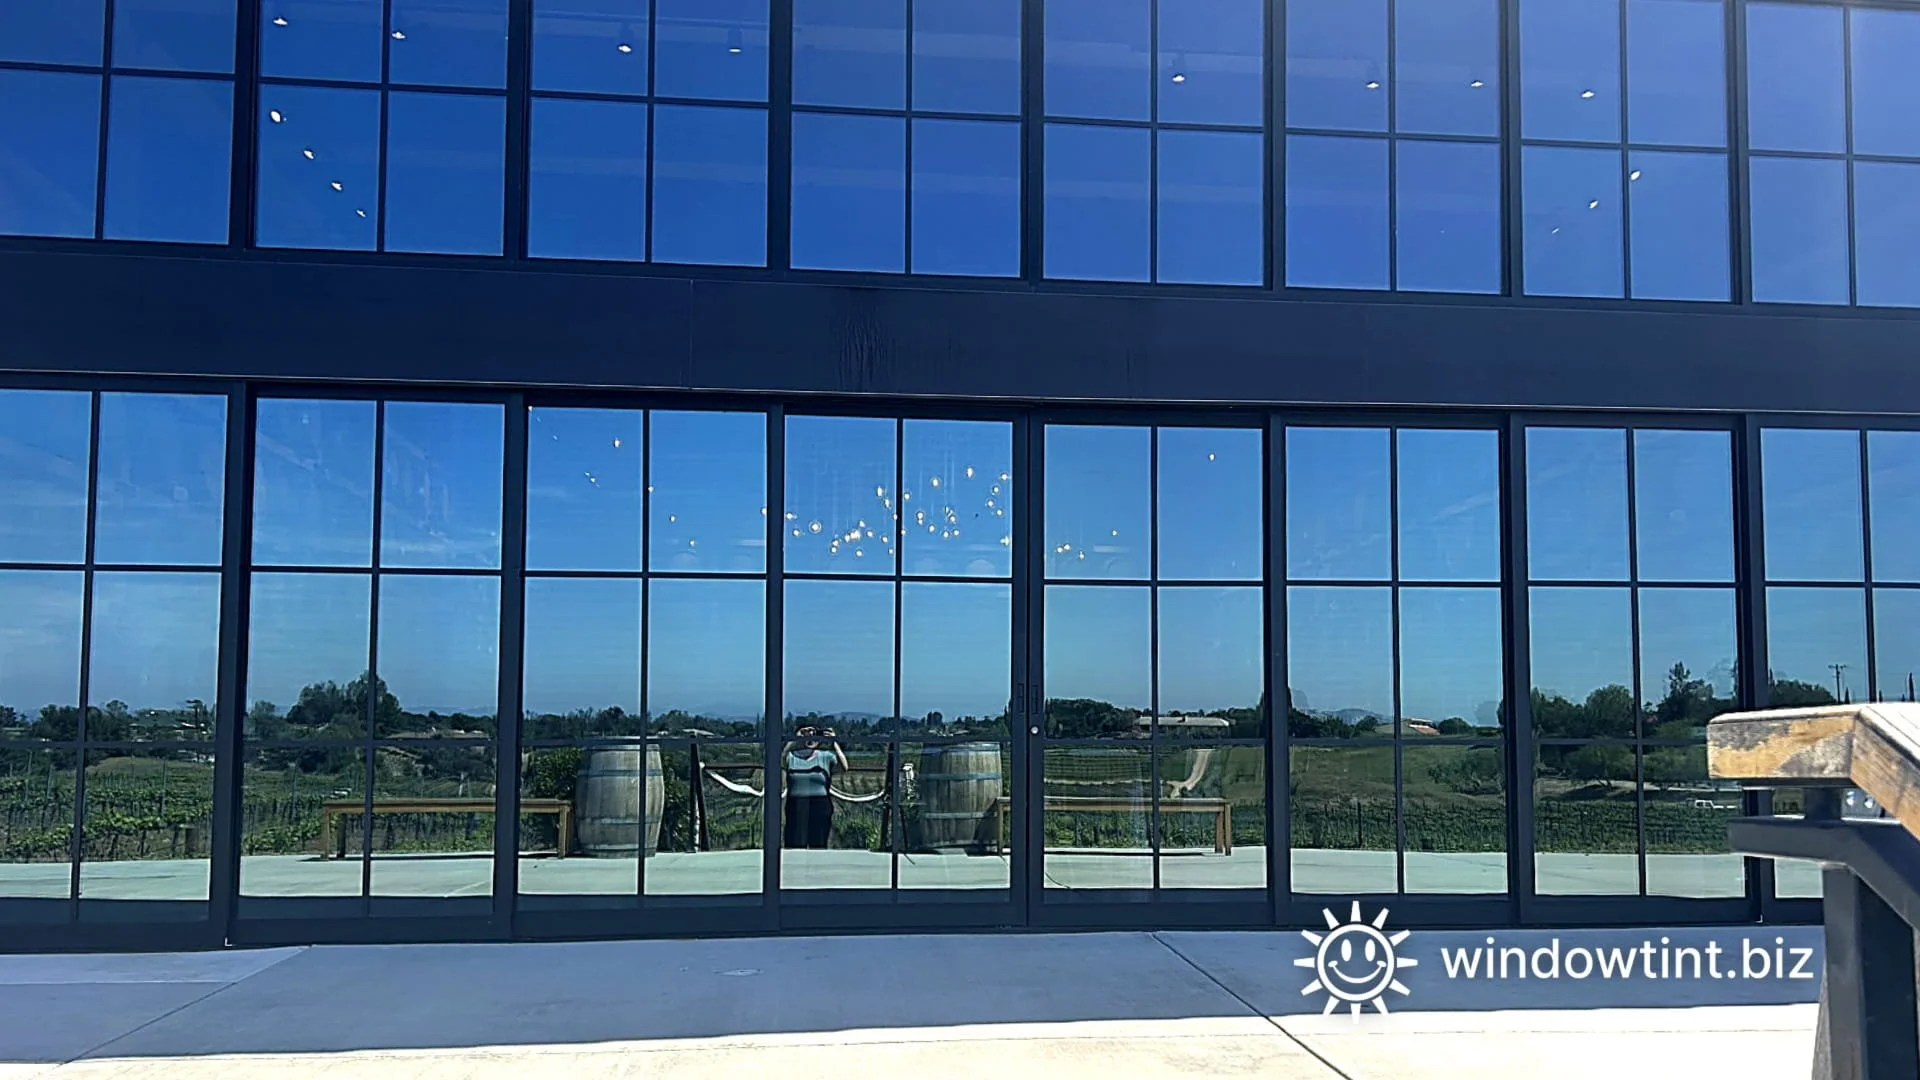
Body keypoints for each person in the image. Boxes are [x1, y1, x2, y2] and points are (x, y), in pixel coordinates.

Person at [781, 725, 848, 850]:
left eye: (813, 732)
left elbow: (843, 767)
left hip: (820, 805)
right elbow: (779, 761)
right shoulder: (791, 757)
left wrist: (834, 742)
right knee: (794, 844)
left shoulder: (825, 756)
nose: (809, 735)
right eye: (805, 732)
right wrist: (794, 741)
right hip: (796, 805)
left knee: (818, 844)